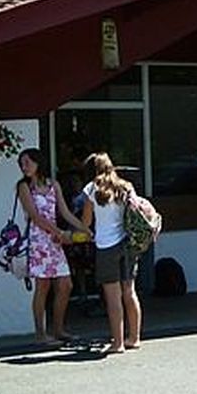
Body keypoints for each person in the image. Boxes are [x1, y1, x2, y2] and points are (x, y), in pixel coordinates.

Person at [16, 148, 89, 345]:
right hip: (39, 240)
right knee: (43, 286)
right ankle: (41, 333)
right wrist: (59, 232)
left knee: (65, 285)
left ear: (39, 163)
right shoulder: (24, 187)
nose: (25, 167)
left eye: (28, 162)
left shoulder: (53, 185)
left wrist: (84, 228)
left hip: (54, 241)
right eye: (22, 163)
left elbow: (64, 212)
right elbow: (35, 216)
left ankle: (59, 329)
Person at [80, 151, 143, 355]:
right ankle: (134, 337)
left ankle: (118, 342)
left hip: (106, 246)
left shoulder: (91, 189)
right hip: (127, 244)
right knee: (129, 292)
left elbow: (86, 223)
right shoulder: (125, 186)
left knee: (112, 297)